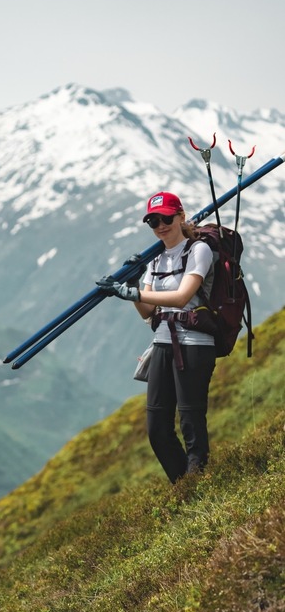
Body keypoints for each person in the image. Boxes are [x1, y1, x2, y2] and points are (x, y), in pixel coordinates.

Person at [97, 191, 216, 483]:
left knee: (190, 422)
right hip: (163, 342)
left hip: (195, 345)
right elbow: (148, 312)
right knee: (157, 428)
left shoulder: (198, 250)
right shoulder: (155, 258)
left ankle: (198, 488)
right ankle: (185, 487)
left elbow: (182, 297)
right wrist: (134, 283)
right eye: (153, 221)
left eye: (166, 219)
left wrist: (134, 292)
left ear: (181, 216)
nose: (160, 226)